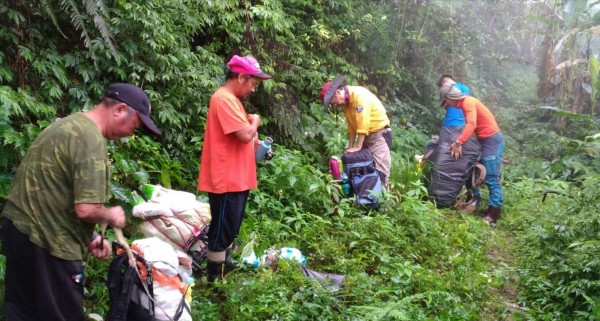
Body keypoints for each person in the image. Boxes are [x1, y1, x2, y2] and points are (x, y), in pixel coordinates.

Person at [0, 83, 161, 321]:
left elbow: (52, 192)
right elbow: (86, 209)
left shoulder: (67, 125)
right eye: (133, 126)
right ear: (119, 109)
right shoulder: (90, 140)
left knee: (22, 313)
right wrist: (111, 215)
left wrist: (91, 237)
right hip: (50, 244)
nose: (130, 133)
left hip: (19, 232)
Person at [197, 54, 271, 282]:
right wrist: (255, 122)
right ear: (240, 77)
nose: (253, 89)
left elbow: (246, 137)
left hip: (237, 177)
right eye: (253, 84)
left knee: (229, 227)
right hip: (226, 178)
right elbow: (243, 134)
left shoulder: (233, 101)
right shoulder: (224, 99)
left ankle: (224, 266)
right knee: (221, 230)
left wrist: (259, 144)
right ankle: (215, 279)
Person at [439, 84, 505, 223]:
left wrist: (458, 143)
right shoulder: (464, 104)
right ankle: (474, 200)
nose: (447, 105)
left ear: (450, 98)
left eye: (446, 101)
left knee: (491, 176)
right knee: (472, 169)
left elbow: (472, 124)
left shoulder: (468, 102)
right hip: (483, 140)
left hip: (492, 140)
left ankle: (493, 214)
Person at [320, 76, 392, 186]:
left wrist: (358, 146)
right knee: (364, 168)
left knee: (380, 170)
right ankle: (364, 198)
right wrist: (350, 146)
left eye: (333, 101)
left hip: (379, 135)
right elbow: (352, 126)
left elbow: (363, 122)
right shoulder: (346, 104)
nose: (334, 104)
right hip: (366, 137)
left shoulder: (359, 96)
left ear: (338, 92)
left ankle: (383, 198)